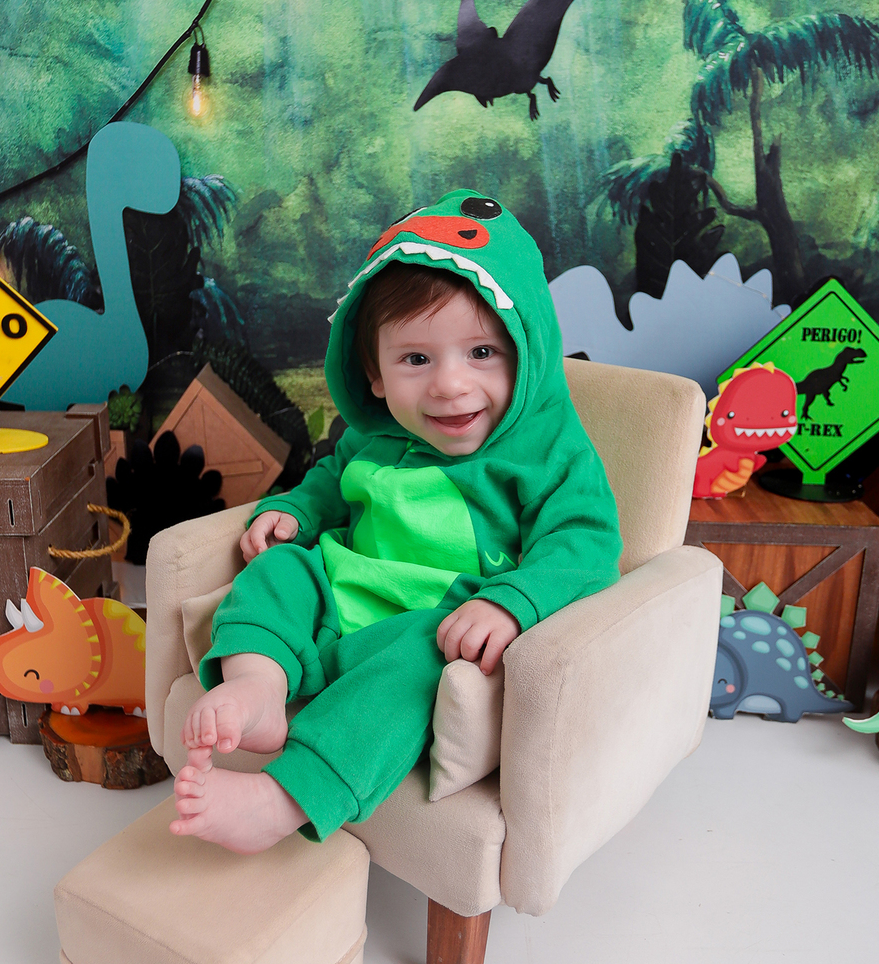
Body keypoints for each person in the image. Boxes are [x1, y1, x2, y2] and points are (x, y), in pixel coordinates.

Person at [171, 189, 622, 851]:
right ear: (375, 373)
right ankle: (258, 684)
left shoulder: (547, 448)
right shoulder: (377, 432)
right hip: (338, 594)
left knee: (419, 667)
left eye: (482, 353)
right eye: (416, 359)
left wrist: (511, 602)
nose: (449, 385)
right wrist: (294, 511)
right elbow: (331, 479)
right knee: (277, 571)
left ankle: (283, 798)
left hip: (431, 620)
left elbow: (586, 539)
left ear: (527, 350)